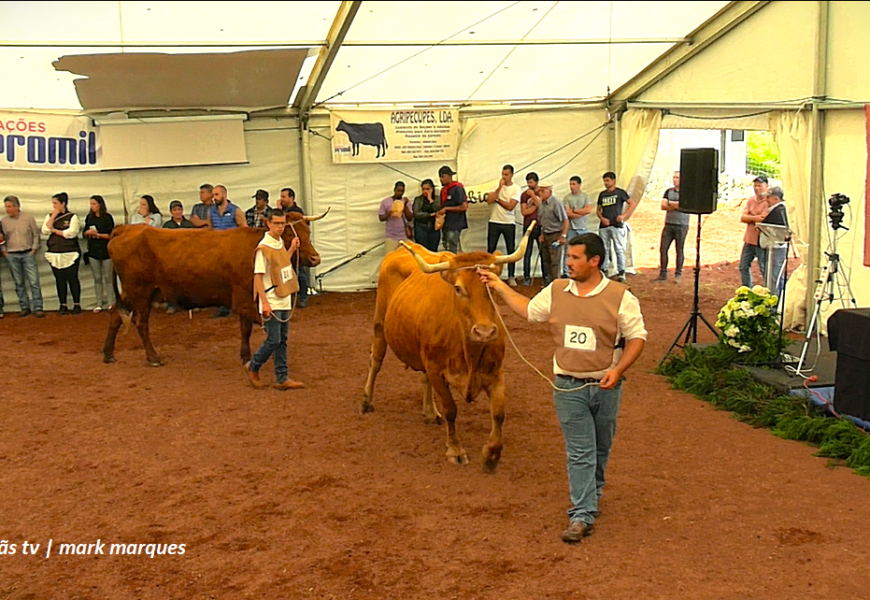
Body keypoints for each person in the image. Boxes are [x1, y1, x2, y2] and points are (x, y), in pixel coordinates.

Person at [478, 232, 646, 543]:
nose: (567, 263)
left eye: (575, 258)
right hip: (568, 386)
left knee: (601, 447)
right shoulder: (556, 290)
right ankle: (581, 514)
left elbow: (637, 338)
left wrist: (619, 370)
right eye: (568, 257)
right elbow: (529, 311)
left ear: (595, 262)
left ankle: (591, 497)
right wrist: (498, 286)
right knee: (581, 451)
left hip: (608, 386)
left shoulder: (622, 296)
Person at [244, 208, 305, 391]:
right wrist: (265, 302)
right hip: (271, 297)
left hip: (283, 295)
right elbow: (258, 277)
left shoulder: (278, 243)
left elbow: (281, 265)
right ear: (268, 224)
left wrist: (292, 249)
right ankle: (253, 366)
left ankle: (282, 377)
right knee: (274, 339)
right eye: (276, 223)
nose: (280, 227)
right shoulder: (264, 247)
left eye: (282, 223)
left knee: (282, 339)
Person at [1, 195, 44, 318]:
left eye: (9, 206)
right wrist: (5, 252)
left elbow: (36, 234)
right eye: (6, 207)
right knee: (19, 282)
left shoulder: (28, 218)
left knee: (34, 281)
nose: (7, 209)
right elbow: (2, 238)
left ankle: (38, 307)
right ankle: (24, 306)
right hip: (12, 254)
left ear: (17, 206)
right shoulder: (4, 221)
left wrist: (34, 249)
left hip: (27, 252)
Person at [42, 192, 83, 315]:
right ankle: (63, 304)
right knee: (60, 279)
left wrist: (54, 230)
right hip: (55, 252)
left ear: (63, 203)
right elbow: (45, 230)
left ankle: (76, 303)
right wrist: (53, 217)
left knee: (72, 278)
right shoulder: (49, 216)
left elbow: (71, 233)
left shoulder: (72, 217)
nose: (53, 206)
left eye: (56, 203)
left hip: (70, 251)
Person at [209, 185, 246, 317]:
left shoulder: (236, 211)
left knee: (234, 278)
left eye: (217, 194)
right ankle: (223, 306)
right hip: (217, 250)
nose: (214, 198)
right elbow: (210, 230)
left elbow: (244, 230)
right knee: (220, 279)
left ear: (224, 195)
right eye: (213, 195)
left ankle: (235, 304)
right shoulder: (211, 212)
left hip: (233, 250)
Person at [596, 172, 636, 283]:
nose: (606, 183)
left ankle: (621, 271)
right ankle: (604, 270)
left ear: (614, 181)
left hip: (616, 225)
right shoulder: (602, 194)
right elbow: (598, 210)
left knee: (619, 248)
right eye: (604, 180)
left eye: (608, 180)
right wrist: (602, 218)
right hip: (604, 226)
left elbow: (632, 203)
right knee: (604, 248)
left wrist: (623, 216)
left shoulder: (620, 193)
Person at [486, 164, 522, 286]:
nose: (504, 177)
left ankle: (511, 276)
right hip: (494, 221)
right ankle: (488, 273)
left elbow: (510, 206)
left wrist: (498, 200)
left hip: (508, 223)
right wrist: (498, 189)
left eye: (506, 174)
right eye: (503, 174)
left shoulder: (516, 189)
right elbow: (489, 201)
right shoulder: (495, 186)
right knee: (490, 249)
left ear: (512, 175)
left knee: (510, 250)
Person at [654, 171, 688, 284]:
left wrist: (671, 204)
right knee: (663, 249)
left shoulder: (687, 193)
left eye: (677, 177)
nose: (675, 179)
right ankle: (663, 273)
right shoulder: (668, 191)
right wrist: (677, 205)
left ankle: (678, 274)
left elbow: (684, 205)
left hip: (682, 225)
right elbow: (663, 206)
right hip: (669, 224)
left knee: (679, 249)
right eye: (674, 177)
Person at [278, 187, 310, 308]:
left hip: (297, 246)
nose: (281, 199)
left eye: (284, 197)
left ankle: (303, 297)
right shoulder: (283, 211)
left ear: (291, 198)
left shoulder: (297, 212)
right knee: (286, 272)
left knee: (299, 272)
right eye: (281, 197)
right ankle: (289, 296)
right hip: (284, 246)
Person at [83, 195, 115, 312]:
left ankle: (111, 302)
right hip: (93, 251)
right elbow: (84, 233)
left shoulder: (107, 218)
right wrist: (88, 233)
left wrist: (98, 235)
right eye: (91, 204)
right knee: (97, 277)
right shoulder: (89, 218)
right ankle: (99, 303)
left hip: (106, 251)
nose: (92, 206)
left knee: (108, 277)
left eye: (94, 204)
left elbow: (111, 235)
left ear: (100, 205)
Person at [739, 175, 770, 287]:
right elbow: (743, 217)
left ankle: (769, 292)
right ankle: (747, 290)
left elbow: (762, 220)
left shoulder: (769, 202)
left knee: (764, 268)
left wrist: (750, 217)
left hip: (761, 241)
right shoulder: (751, 200)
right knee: (743, 266)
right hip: (749, 239)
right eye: (755, 185)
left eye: (760, 186)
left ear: (767, 186)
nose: (757, 188)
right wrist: (755, 218)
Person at [536, 181, 569, 286]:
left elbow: (565, 220)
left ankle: (556, 283)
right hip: (545, 234)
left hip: (555, 234)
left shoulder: (556, 203)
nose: (540, 193)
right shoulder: (541, 204)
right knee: (546, 259)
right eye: (540, 190)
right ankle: (549, 282)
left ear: (549, 191)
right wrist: (541, 234)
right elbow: (542, 221)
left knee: (555, 261)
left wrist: (563, 236)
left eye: (543, 190)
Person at [760, 186, 789, 297]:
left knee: (774, 278)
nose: (766, 200)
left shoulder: (778, 211)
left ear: (776, 199)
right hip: (773, 248)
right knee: (773, 276)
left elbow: (778, 231)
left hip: (777, 249)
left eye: (769, 197)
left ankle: (775, 303)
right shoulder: (777, 210)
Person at [562, 175, 593, 277]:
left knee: (583, 251)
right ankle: (566, 273)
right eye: (570, 184)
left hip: (582, 228)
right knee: (568, 251)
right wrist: (581, 212)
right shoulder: (567, 198)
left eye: (574, 184)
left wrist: (574, 211)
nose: (571, 186)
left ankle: (582, 270)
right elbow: (567, 213)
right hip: (571, 229)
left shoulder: (585, 197)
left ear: (579, 185)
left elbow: (588, 210)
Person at [435, 166, 468, 253]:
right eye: (440, 177)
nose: (440, 179)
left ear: (449, 176)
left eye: (442, 177)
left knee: (452, 247)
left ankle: (453, 266)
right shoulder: (444, 190)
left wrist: (447, 209)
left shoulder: (458, 188)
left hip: (455, 223)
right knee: (446, 245)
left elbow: (464, 207)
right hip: (446, 223)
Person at [519, 172, 543, 284]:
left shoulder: (542, 192)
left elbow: (542, 206)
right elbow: (524, 212)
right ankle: (526, 276)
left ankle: (545, 276)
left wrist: (533, 196)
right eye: (527, 182)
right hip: (528, 226)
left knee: (543, 253)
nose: (529, 184)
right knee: (527, 253)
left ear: (536, 182)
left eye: (531, 182)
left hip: (540, 225)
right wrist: (534, 207)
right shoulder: (524, 195)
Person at [378, 181, 413, 256]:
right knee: (390, 258)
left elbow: (410, 218)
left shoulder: (406, 202)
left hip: (404, 236)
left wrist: (405, 206)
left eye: (402, 191)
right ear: (394, 190)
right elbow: (381, 218)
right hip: (391, 236)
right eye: (398, 191)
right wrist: (389, 213)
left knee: (406, 258)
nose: (400, 193)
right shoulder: (386, 202)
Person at [411, 178, 441, 252]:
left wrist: (430, 199)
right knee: (422, 250)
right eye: (423, 189)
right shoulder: (418, 199)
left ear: (432, 189)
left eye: (427, 189)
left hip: (434, 228)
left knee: (433, 249)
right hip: (421, 227)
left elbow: (438, 210)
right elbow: (416, 213)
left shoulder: (437, 199)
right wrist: (429, 215)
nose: (425, 191)